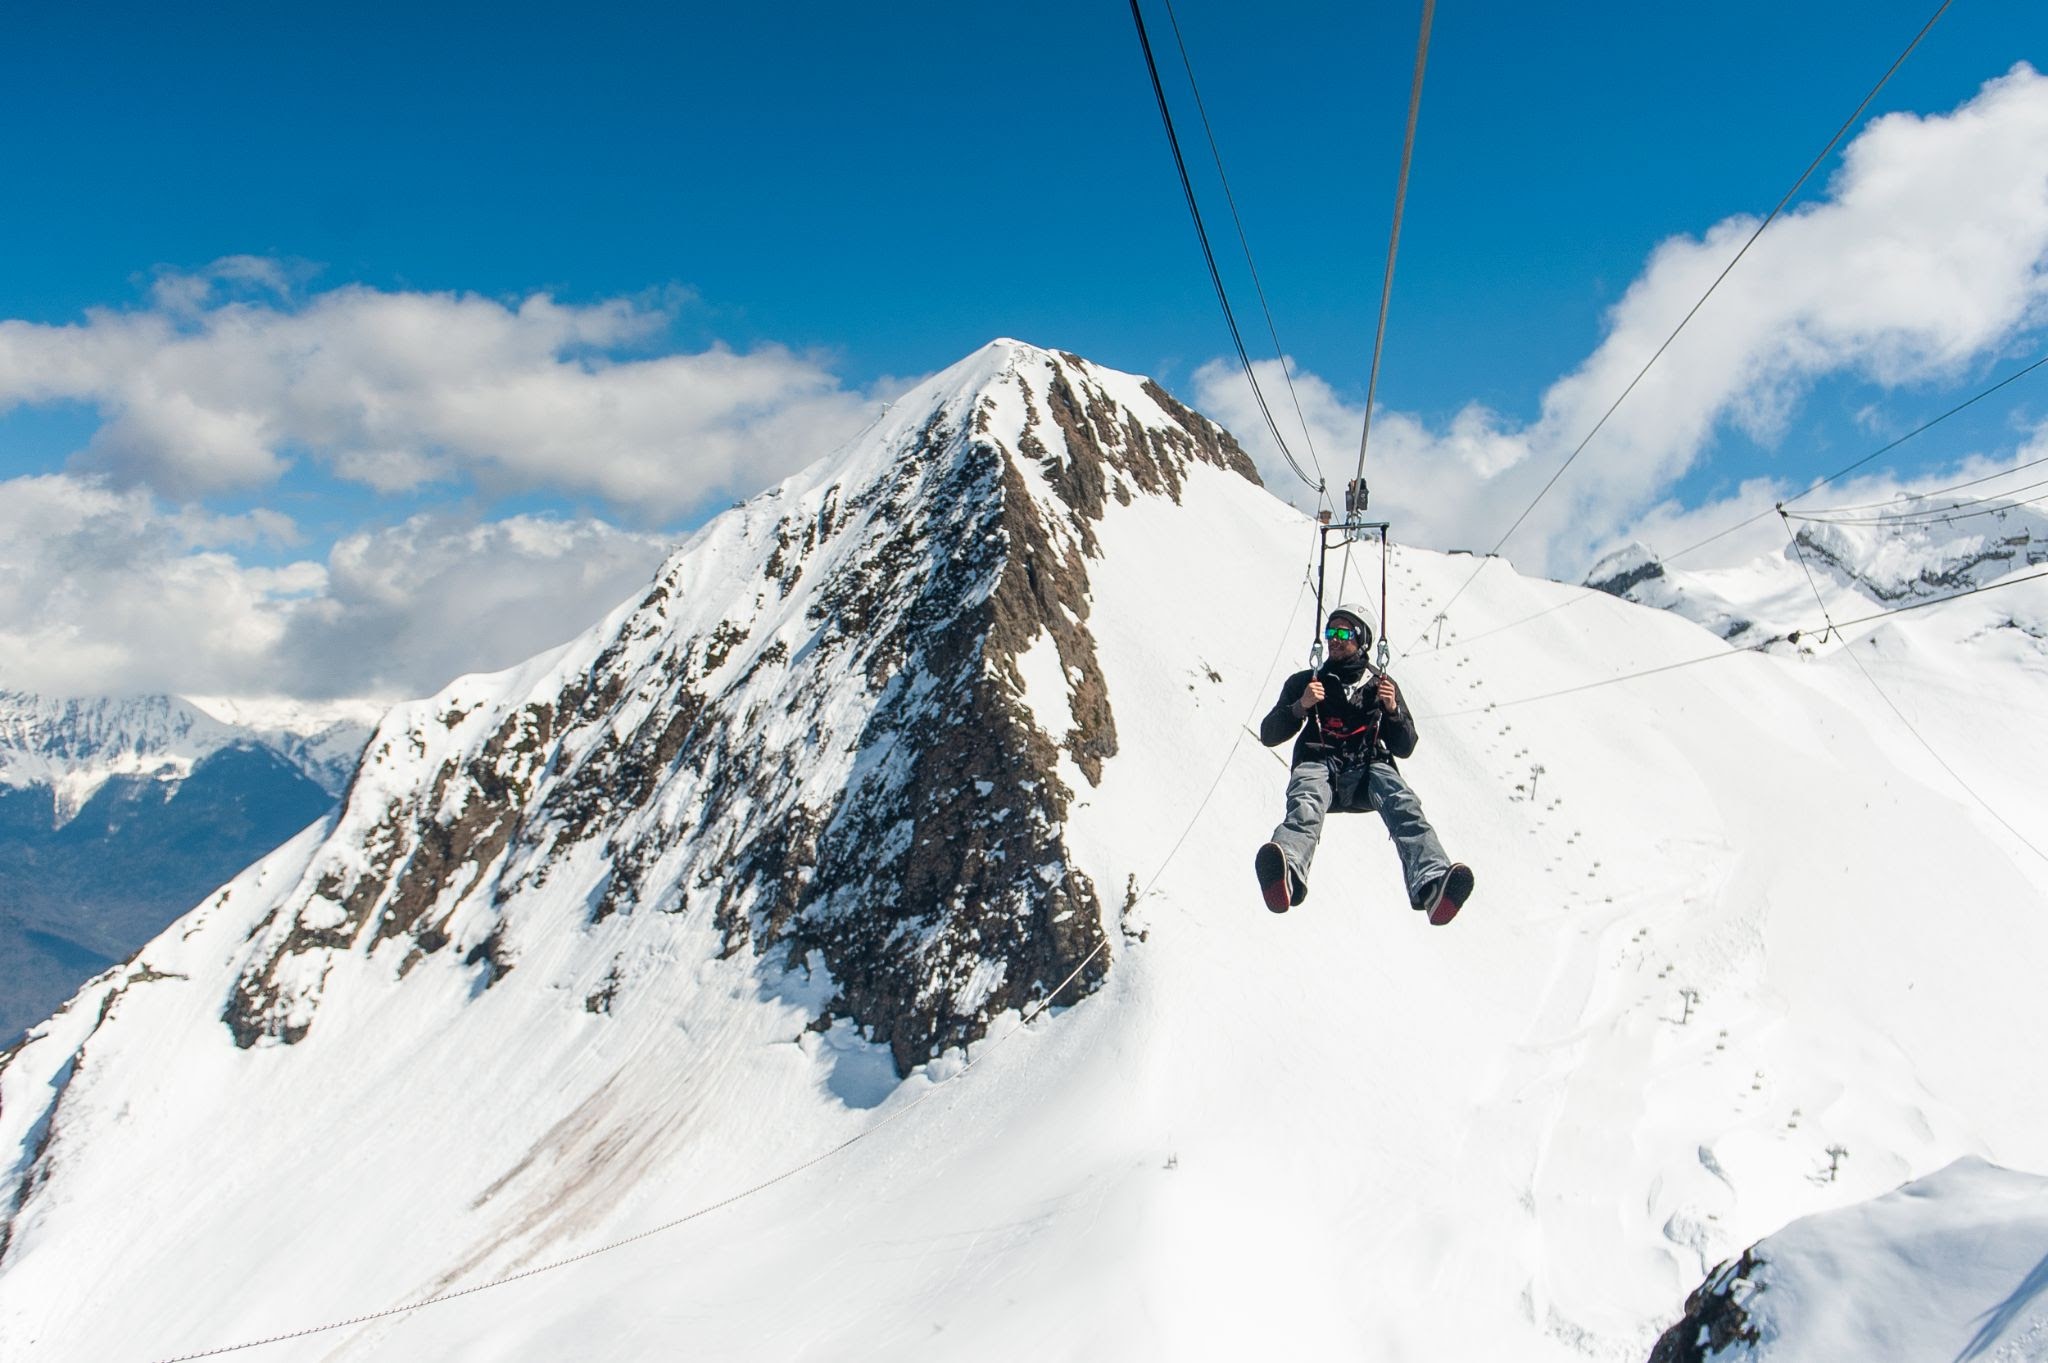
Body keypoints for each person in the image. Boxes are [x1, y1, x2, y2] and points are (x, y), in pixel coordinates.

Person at [1255, 603, 1474, 925]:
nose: (1334, 639)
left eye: (1344, 633)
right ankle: (1287, 869)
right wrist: (1300, 706)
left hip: (1368, 768)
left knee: (1404, 805)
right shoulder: (1306, 681)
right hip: (1320, 762)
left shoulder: (1382, 686)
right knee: (1305, 802)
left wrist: (1392, 709)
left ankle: (1432, 882)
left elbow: (1405, 746)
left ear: (1362, 640)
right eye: (1330, 632)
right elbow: (1269, 735)